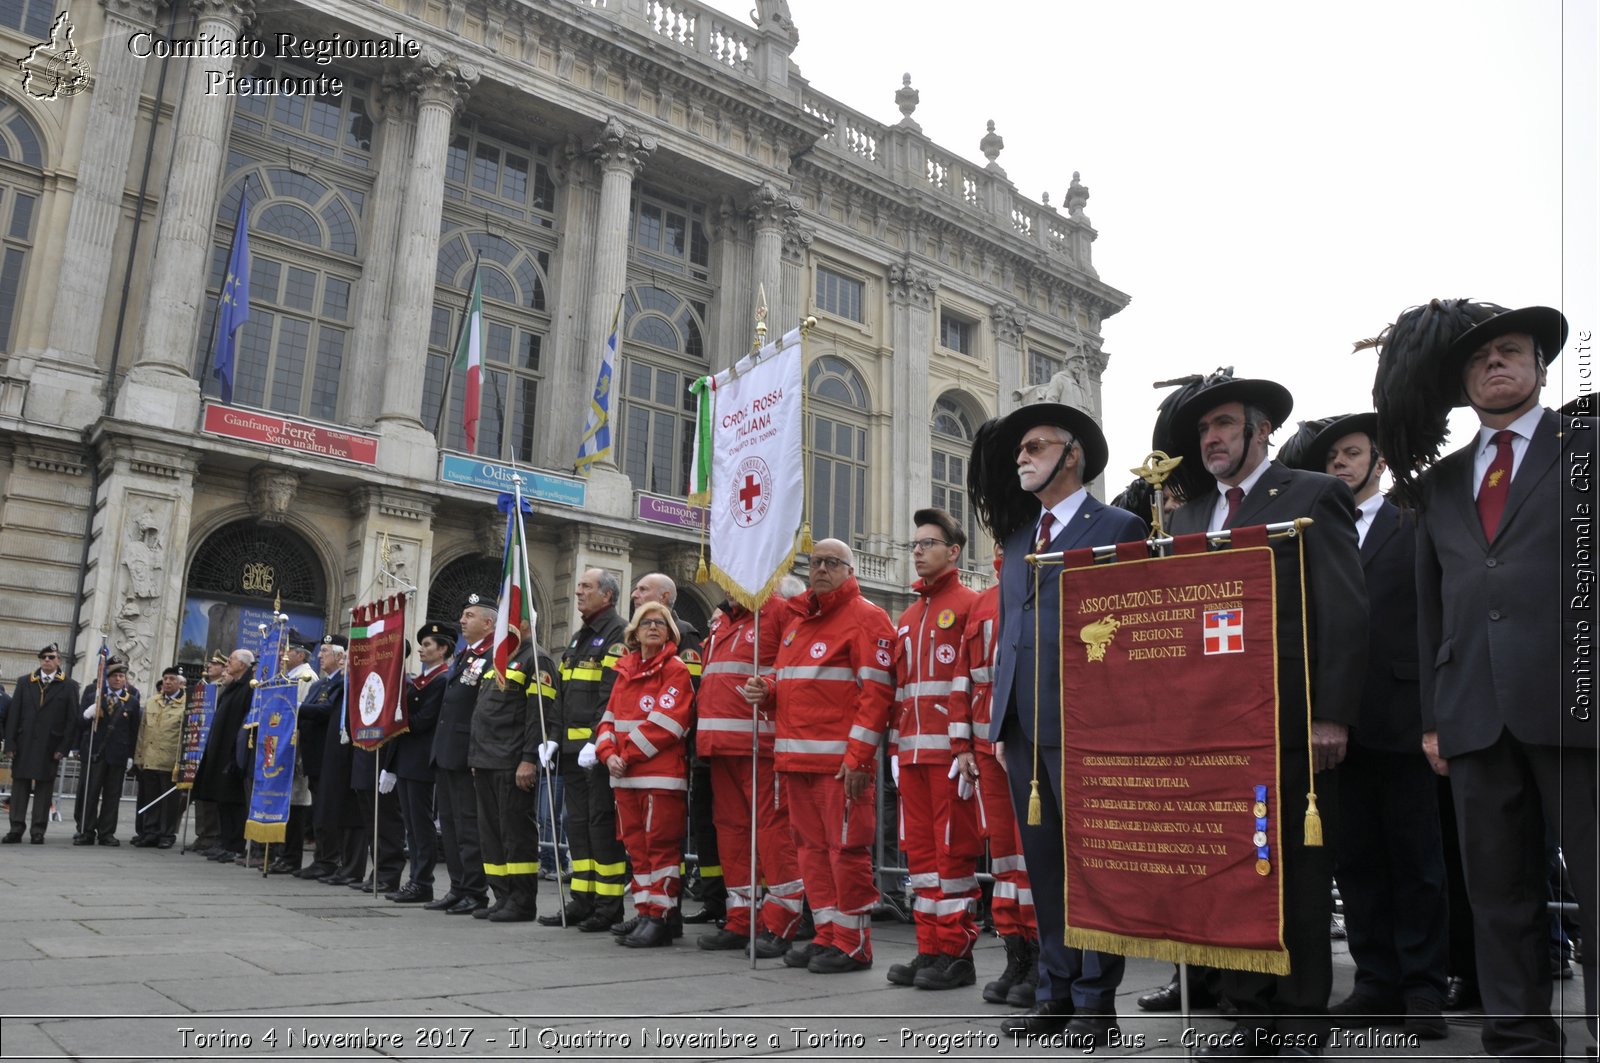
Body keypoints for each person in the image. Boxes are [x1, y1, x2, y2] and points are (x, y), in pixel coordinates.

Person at [1406, 304, 1596, 1060]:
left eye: (1511, 352)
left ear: (1541, 366)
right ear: (1463, 381)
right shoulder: (1441, 483)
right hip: (1474, 712)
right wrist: (1432, 717)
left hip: (1575, 700)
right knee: (1497, 891)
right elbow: (1430, 607)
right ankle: (1518, 1033)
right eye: (1481, 358)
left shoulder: (1585, 448)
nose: (1496, 365)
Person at [1164, 374, 1367, 1057]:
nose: (1212, 438)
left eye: (1223, 424)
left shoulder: (1313, 494)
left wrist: (1331, 712)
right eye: (1203, 430)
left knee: (1299, 877)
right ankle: (1248, 1014)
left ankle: (1304, 1014)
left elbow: (1343, 607)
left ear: (1260, 430)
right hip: (1210, 732)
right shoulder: (1188, 517)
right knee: (1233, 871)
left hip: (1289, 723)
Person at [968, 402, 1146, 1045]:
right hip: (1021, 722)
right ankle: (1055, 992)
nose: (1022, 455)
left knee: (1094, 864)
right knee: (1042, 864)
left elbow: (1131, 626)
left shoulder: (1120, 525)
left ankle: (1097, 1004)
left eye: (1036, 446)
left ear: (1072, 454)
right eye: (1019, 449)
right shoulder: (1019, 538)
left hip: (1088, 723)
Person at [1289, 412, 1448, 1037]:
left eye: (1352, 454)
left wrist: (1436, 713)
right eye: (1331, 457)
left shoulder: (1414, 519)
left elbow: (1436, 612)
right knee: (1353, 862)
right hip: (1331, 725)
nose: (1340, 465)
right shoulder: (1306, 531)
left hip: (1401, 717)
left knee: (1416, 861)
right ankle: (1375, 980)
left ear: (1378, 462)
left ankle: (1423, 989)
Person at [740, 538, 897, 974]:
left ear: (851, 570)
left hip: (838, 767)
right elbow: (791, 683)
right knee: (810, 851)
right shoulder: (797, 623)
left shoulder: (867, 618)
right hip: (794, 763)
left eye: (832, 562)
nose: (821, 569)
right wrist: (767, 691)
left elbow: (877, 695)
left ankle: (854, 943)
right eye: (816, 562)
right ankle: (828, 934)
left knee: (845, 852)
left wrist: (860, 759)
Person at [885, 507, 982, 991]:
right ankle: (928, 949)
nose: (918, 551)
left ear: (954, 551)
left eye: (927, 544)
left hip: (951, 759)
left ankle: (957, 954)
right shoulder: (906, 615)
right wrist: (893, 753)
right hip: (911, 759)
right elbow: (900, 693)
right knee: (920, 860)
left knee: (953, 856)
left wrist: (967, 747)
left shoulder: (969, 605)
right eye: (915, 545)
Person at [948, 541, 1041, 1007]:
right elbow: (963, 677)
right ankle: (1015, 954)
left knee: (1033, 853)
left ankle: (1043, 958)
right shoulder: (984, 602)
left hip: (1028, 737)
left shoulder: (1042, 585)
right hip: (987, 740)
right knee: (1003, 855)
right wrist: (961, 744)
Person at [692, 591, 804, 955]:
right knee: (732, 835)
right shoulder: (722, 617)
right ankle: (742, 919)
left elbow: (792, 668)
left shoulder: (780, 611)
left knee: (773, 836)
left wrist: (770, 689)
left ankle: (782, 922)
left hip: (760, 744)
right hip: (721, 746)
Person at [595, 600, 696, 947]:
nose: (653, 627)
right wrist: (608, 755)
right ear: (634, 632)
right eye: (646, 622)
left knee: (660, 849)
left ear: (671, 632)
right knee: (637, 849)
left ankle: (661, 915)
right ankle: (645, 910)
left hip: (660, 777)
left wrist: (624, 755)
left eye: (661, 623)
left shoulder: (676, 669)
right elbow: (608, 720)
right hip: (625, 776)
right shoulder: (625, 671)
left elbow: (667, 723)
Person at [629, 572, 721, 927]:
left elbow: (688, 699)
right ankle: (651, 910)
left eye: (643, 589)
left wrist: (628, 748)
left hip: (679, 754)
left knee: (675, 835)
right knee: (647, 840)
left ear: (665, 597)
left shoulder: (684, 638)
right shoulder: (637, 649)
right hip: (645, 760)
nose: (635, 594)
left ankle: (695, 903)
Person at [540, 568, 628, 932]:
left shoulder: (617, 635)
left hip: (597, 753)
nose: (578, 593)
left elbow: (611, 694)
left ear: (606, 596)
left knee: (599, 827)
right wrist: (555, 737)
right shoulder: (578, 640)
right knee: (576, 827)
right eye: (577, 587)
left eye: (586, 588)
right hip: (572, 753)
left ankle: (608, 907)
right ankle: (583, 899)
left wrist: (596, 739)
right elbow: (562, 693)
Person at [471, 616, 557, 923]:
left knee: (515, 833)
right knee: (491, 834)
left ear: (521, 622)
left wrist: (528, 759)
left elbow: (540, 715)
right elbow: (484, 711)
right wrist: (476, 757)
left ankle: (522, 901)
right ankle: (502, 896)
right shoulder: (499, 658)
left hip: (512, 761)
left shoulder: (537, 658)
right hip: (486, 760)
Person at [423, 597, 493, 915]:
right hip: (447, 752)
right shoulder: (466, 655)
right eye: (463, 615)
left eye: (469, 616)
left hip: (467, 754)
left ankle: (475, 891)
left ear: (488, 623)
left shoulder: (492, 656)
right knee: (449, 826)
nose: (462, 621)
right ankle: (457, 886)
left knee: (468, 827)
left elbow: (483, 708)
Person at [384, 621, 454, 904]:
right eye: (422, 644)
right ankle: (416, 880)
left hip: (423, 760)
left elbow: (425, 720)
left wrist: (396, 721)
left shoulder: (442, 680)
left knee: (421, 825)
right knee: (411, 826)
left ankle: (422, 880)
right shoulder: (422, 680)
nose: (423, 649)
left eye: (428, 645)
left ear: (443, 649)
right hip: (407, 760)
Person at [3, 644, 80, 844]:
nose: (46, 660)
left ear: (58, 661)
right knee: (20, 787)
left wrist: (64, 748)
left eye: (51, 657)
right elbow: (14, 715)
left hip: (50, 745)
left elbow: (72, 721)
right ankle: (16, 828)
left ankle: (38, 830)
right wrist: (10, 744)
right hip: (24, 743)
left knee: (44, 789)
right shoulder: (24, 682)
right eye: (43, 657)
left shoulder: (69, 685)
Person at [291, 638, 346, 880]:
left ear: (339, 656)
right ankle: (320, 858)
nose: (320, 656)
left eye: (325, 651)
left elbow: (327, 711)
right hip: (313, 756)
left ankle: (328, 859)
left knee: (328, 811)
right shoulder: (320, 684)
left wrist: (296, 706)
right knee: (319, 810)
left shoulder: (342, 684)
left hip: (329, 756)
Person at [192, 649, 255, 861]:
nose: (227, 663)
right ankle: (223, 840)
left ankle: (234, 844)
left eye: (232, 660)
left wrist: (237, 754)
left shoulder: (248, 687)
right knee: (222, 799)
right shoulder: (231, 686)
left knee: (234, 801)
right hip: (219, 752)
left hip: (233, 755)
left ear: (243, 665)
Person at [74, 658, 142, 846]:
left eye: (121, 676)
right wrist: (88, 715)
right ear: (107, 679)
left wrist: (131, 755)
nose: (118, 679)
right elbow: (79, 723)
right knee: (90, 794)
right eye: (114, 676)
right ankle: (86, 830)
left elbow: (134, 731)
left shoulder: (132, 701)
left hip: (117, 755)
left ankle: (106, 832)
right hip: (95, 752)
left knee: (112, 796)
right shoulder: (94, 696)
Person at [131, 666, 186, 849]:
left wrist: (183, 762)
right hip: (150, 759)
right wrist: (139, 756)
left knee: (169, 803)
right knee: (150, 799)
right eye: (165, 679)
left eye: (171, 679)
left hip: (170, 761)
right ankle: (150, 832)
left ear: (179, 682)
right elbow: (142, 731)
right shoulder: (152, 701)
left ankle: (166, 834)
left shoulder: (186, 704)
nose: (167, 682)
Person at [188, 651, 228, 854]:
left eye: (214, 664)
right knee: (199, 792)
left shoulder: (224, 687)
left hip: (213, 744)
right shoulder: (203, 687)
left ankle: (211, 834)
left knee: (210, 792)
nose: (210, 666)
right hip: (198, 742)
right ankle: (202, 833)